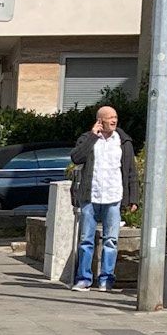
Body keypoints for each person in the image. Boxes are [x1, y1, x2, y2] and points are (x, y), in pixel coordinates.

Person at [68, 105, 137, 291]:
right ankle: (83, 279)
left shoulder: (123, 141)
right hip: (90, 197)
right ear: (100, 121)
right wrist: (92, 136)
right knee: (86, 240)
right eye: (110, 118)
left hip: (113, 196)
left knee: (111, 240)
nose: (114, 121)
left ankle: (106, 279)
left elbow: (131, 171)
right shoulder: (88, 139)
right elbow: (76, 158)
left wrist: (133, 198)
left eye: (115, 117)